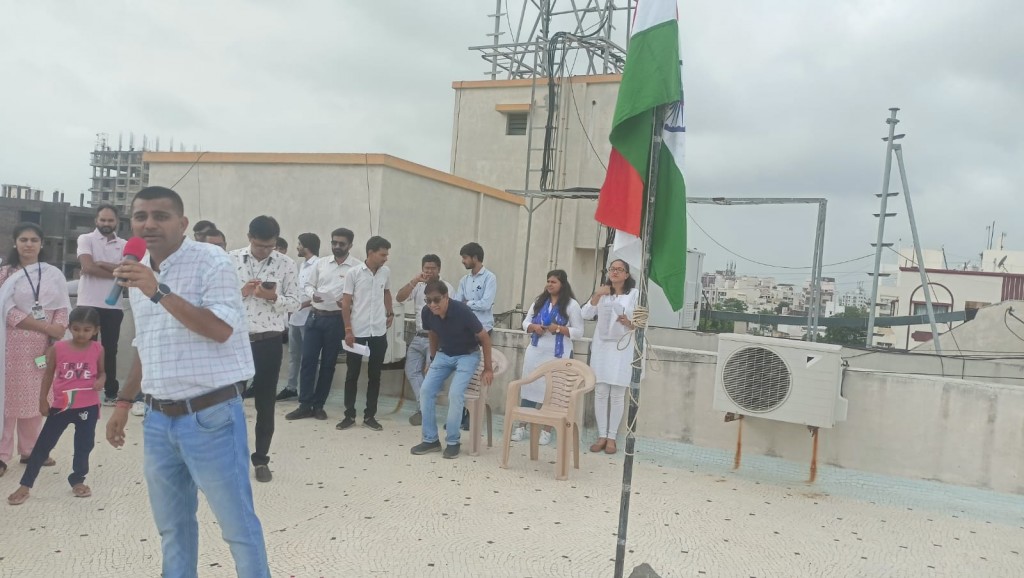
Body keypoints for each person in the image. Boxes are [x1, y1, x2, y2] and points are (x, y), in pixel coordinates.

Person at [105, 186, 269, 577]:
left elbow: (220, 329)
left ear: (182, 223)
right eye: (141, 216)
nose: (149, 224)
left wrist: (157, 289)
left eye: (160, 216)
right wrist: (124, 403)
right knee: (172, 528)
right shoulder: (138, 269)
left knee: (237, 527)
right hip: (158, 419)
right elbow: (147, 343)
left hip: (210, 416)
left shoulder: (211, 260)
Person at [7, 306, 104, 505]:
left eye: (87, 330)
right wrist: (42, 399)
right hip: (62, 406)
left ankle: (78, 479)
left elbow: (102, 372)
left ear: (96, 330)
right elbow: (48, 375)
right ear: (69, 327)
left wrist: (101, 380)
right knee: (43, 445)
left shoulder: (98, 349)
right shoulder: (59, 348)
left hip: (88, 406)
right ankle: (25, 485)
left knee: (84, 445)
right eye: (76, 329)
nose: (81, 333)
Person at [230, 216, 299, 483]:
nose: (264, 251)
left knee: (265, 402)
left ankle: (261, 459)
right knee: (230, 402)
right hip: (235, 340)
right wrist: (242, 292)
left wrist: (272, 297)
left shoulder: (286, 264)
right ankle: (232, 458)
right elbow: (216, 298)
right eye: (260, 245)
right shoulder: (230, 259)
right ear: (249, 237)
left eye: (270, 246)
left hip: (269, 341)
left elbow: (296, 302)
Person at [0, 223, 71, 478]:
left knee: (36, 396)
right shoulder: (5, 273)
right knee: (6, 399)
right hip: (11, 345)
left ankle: (30, 451)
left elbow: (62, 305)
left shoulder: (53, 274)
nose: (28, 244)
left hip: (44, 347)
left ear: (41, 244)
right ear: (15, 243)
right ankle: (2, 455)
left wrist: (58, 330)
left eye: (33, 240)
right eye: (23, 239)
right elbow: (5, 309)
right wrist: (45, 327)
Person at [410, 281, 493, 460]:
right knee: (426, 390)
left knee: (455, 394)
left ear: (446, 297)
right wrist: (432, 359)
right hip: (444, 354)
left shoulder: (462, 311)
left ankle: (453, 442)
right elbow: (433, 333)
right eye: (428, 300)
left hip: (467, 355)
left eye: (436, 300)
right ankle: (430, 439)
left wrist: (488, 368)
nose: (432, 304)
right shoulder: (427, 312)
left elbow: (485, 337)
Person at [286, 228, 361, 421]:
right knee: (308, 361)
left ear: (350, 245)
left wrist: (348, 303)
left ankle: (318, 406)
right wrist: (313, 294)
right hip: (315, 317)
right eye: (334, 242)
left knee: (328, 365)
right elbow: (308, 285)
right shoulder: (321, 263)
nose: (337, 246)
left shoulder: (357, 268)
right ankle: (304, 405)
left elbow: (360, 295)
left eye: (341, 243)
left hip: (336, 320)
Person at [511, 270, 584, 446]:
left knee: (554, 391)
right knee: (529, 386)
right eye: (548, 281)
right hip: (536, 352)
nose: (550, 284)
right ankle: (521, 426)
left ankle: (547, 430)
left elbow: (579, 332)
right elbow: (525, 322)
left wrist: (558, 328)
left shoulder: (572, 305)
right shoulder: (539, 301)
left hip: (558, 354)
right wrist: (533, 327)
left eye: (554, 282)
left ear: (562, 284)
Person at [580, 259, 638, 455]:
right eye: (612, 269)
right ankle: (602, 436)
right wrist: (597, 295)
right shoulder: (603, 293)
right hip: (603, 348)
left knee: (617, 395)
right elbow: (585, 314)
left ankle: (612, 438)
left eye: (620, 269)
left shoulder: (634, 294)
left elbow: (641, 322)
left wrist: (628, 322)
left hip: (622, 349)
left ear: (626, 274)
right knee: (601, 391)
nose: (615, 272)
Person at [75, 204, 128, 409]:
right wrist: (116, 271)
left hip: (113, 307)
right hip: (87, 304)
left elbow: (127, 273)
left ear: (117, 222)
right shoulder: (86, 239)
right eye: (103, 220)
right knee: (85, 348)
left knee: (110, 350)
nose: (106, 223)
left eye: (110, 220)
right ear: (96, 221)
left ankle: (111, 392)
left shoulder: (124, 244)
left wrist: (102, 264)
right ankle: (82, 390)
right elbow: (87, 267)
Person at [339, 236, 393, 431]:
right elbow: (345, 303)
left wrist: (390, 312)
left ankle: (370, 416)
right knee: (352, 374)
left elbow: (387, 292)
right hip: (357, 331)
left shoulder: (385, 272)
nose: (386, 258)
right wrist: (348, 330)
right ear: (371, 253)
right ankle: (349, 415)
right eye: (383, 254)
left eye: (386, 255)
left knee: (375, 375)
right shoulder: (353, 273)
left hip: (378, 331)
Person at [395, 254, 453, 426]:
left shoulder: (447, 287)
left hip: (436, 337)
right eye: (426, 268)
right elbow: (399, 298)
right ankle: (425, 408)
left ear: (439, 269)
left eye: (432, 268)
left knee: (430, 375)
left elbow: (450, 312)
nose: (429, 271)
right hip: (418, 335)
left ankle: (423, 411)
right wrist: (414, 281)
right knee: (411, 370)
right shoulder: (418, 286)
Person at [452, 242, 496, 430]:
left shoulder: (490, 278)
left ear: (475, 258)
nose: (463, 261)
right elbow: (456, 302)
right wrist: (467, 304)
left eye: (465, 258)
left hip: (483, 330)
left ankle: (472, 416)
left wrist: (467, 304)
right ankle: (459, 416)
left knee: (478, 373)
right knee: (463, 372)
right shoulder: (464, 280)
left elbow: (486, 304)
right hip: (465, 330)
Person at [278, 233, 321, 401]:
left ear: (307, 246)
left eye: (299, 244)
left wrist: (303, 304)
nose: (297, 247)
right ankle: (291, 387)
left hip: (308, 318)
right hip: (295, 318)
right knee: (294, 355)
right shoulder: (301, 265)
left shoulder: (319, 265)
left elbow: (320, 293)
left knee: (309, 357)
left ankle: (309, 391)